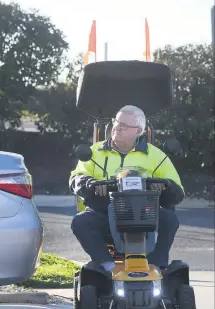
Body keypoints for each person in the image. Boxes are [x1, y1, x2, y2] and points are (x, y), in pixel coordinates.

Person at [69, 105, 184, 273]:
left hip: (145, 215)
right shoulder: (94, 153)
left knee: (169, 219)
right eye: (116, 122)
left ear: (138, 130)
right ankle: (107, 267)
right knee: (80, 222)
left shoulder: (157, 156)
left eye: (124, 125)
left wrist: (165, 185)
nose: (117, 127)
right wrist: (89, 183)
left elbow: (178, 192)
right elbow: (76, 177)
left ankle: (156, 267)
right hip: (105, 212)